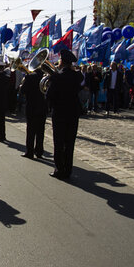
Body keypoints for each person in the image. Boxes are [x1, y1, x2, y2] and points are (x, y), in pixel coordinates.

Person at [45, 50, 84, 180]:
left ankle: (59, 169)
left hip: (60, 112)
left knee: (59, 142)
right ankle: (68, 170)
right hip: (73, 112)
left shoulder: (56, 77)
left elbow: (49, 95)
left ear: (61, 61)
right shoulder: (77, 76)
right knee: (70, 143)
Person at [21, 64, 46, 159]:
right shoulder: (45, 77)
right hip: (42, 106)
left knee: (31, 130)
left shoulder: (29, 77)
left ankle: (29, 151)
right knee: (40, 130)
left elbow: (23, 91)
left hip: (31, 106)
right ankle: (39, 151)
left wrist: (23, 83)